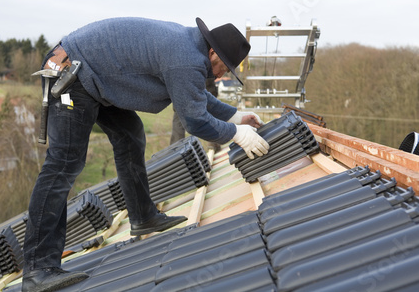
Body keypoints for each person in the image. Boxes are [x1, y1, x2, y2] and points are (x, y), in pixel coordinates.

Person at [21, 17, 269, 292]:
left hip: (94, 75)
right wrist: (236, 134)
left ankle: (142, 216)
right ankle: (38, 269)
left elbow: (193, 94)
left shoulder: (190, 49)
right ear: (213, 52)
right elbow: (195, 120)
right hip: (71, 75)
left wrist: (235, 116)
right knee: (64, 163)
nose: (222, 76)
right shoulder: (186, 58)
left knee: (130, 134)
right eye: (224, 68)